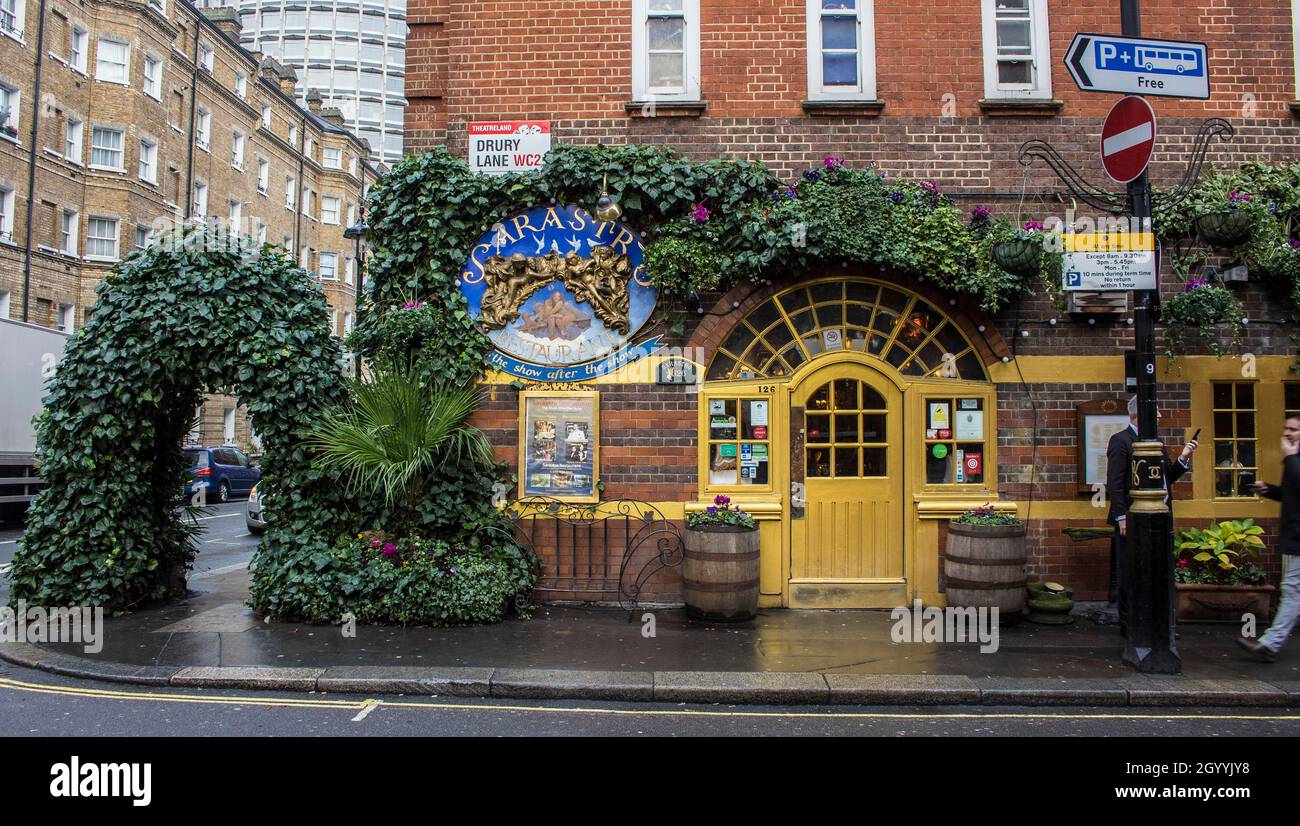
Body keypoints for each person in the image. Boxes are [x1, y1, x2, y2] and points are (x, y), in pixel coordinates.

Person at [1105, 395, 1198, 635]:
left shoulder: (1156, 442)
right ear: (1140, 415)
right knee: (1129, 573)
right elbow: (1114, 483)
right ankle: (1129, 626)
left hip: (1159, 518)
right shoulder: (1121, 441)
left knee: (1157, 571)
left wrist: (1184, 457)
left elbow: (1166, 477)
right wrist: (1121, 517)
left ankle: (1157, 624)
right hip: (1131, 518)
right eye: (1155, 412)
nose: (1159, 416)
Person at [1238, 415, 1300, 661]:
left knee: (1291, 588)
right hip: (1295, 536)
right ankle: (1271, 643)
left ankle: (1270, 643)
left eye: (1294, 430)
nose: (1288, 433)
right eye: (1286, 428)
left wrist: (1289, 457)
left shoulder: (1294, 460)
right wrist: (1271, 490)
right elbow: (1293, 494)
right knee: (1293, 589)